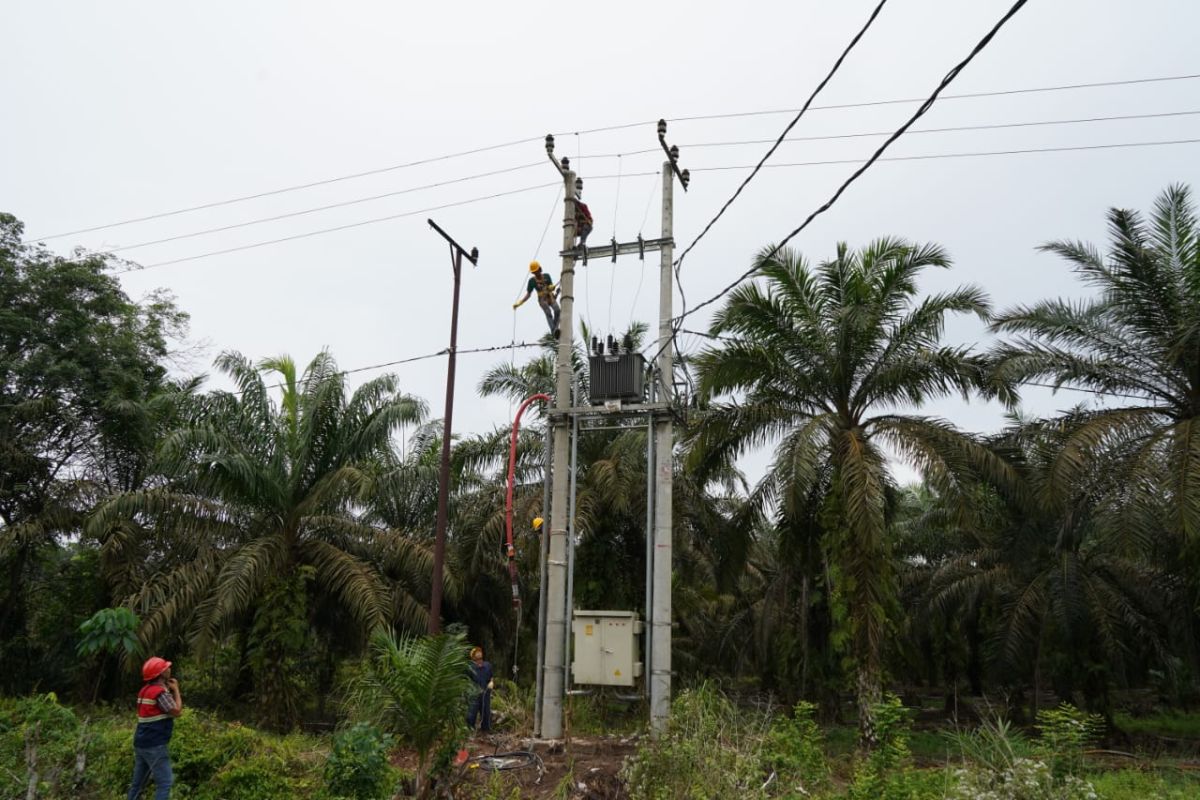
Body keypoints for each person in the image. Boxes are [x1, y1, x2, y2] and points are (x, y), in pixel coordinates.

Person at [127, 656, 183, 800]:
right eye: (166, 668)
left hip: (141, 743)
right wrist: (176, 690)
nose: (169, 669)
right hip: (155, 745)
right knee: (165, 782)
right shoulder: (160, 693)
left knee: (137, 784)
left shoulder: (144, 691)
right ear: (161, 674)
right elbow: (177, 712)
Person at [513, 261, 560, 335]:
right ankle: (554, 330)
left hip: (550, 296)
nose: (536, 273)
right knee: (548, 313)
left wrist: (551, 287)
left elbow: (551, 286)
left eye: (536, 271)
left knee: (557, 310)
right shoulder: (532, 281)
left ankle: (555, 329)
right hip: (542, 299)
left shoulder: (547, 276)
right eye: (534, 272)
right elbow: (528, 294)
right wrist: (519, 303)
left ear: (540, 269)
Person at [466, 646, 494, 733]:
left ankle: (486, 730)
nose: (479, 661)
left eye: (481, 658)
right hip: (474, 693)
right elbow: (466, 680)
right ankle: (469, 730)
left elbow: (491, 677)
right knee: (471, 713)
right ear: (473, 659)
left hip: (485, 692)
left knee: (486, 712)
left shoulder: (487, 666)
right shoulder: (470, 668)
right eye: (477, 659)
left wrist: (491, 683)